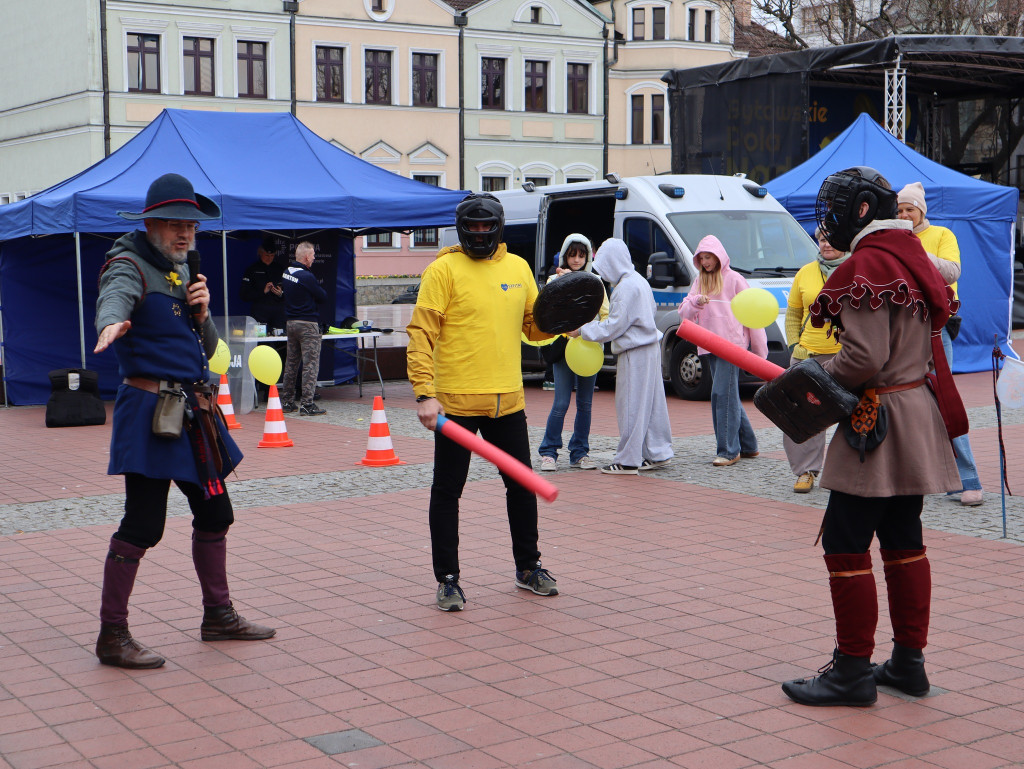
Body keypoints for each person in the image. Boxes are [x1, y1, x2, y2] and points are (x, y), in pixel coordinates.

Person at [781, 166, 960, 707]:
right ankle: (908, 663)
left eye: (835, 204)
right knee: (905, 539)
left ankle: (853, 672)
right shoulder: (911, 254)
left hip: (877, 421)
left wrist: (813, 377)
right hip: (915, 409)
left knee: (845, 539)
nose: (826, 216)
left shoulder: (868, 264)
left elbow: (864, 357)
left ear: (860, 209)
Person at [92, 173, 275, 669]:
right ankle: (113, 634)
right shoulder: (127, 263)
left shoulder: (183, 272)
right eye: (175, 224)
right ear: (150, 223)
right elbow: (115, 295)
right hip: (151, 413)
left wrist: (204, 308)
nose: (184, 234)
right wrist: (111, 322)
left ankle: (218, 615)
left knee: (217, 515)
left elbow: (211, 349)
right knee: (143, 524)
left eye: (191, 227)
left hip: (195, 414)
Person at [407, 192, 558, 612]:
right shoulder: (442, 270)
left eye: (484, 226)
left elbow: (533, 328)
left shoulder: (519, 268)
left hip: (506, 401)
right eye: (470, 227)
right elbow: (421, 335)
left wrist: (562, 320)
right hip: (454, 404)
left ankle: (529, 568)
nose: (478, 233)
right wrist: (425, 393)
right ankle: (448, 580)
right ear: (461, 228)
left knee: (522, 487)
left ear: (497, 226)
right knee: (447, 492)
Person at [897, 182, 983, 506]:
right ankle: (915, 478)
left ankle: (969, 479)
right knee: (903, 401)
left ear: (921, 210)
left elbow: (951, 271)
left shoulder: (942, 235)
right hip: (901, 328)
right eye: (900, 210)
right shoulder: (889, 239)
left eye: (910, 209)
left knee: (945, 399)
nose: (904, 215)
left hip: (936, 327)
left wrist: (914, 251)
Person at [568, 238, 673, 475]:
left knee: (631, 404)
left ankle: (627, 459)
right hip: (649, 347)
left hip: (634, 350)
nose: (603, 273)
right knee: (653, 402)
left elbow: (614, 326)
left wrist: (583, 330)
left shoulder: (625, 288)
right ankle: (658, 451)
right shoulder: (639, 282)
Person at [678, 235, 767, 467]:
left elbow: (754, 314)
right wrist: (696, 301)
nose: (705, 262)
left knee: (721, 395)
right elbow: (684, 312)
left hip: (731, 346)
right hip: (708, 344)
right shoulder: (699, 281)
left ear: (719, 257)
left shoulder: (735, 279)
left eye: (709, 257)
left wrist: (759, 351)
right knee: (728, 396)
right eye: (702, 258)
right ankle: (748, 446)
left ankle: (728, 451)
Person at [782, 227, 847, 492]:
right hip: (807, 356)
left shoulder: (855, 269)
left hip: (845, 356)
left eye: (831, 238)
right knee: (798, 414)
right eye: (821, 239)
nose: (825, 243)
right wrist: (795, 345)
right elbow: (794, 314)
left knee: (852, 413)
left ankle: (848, 472)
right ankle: (805, 471)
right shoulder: (805, 272)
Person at [538, 234, 609, 471]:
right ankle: (549, 452)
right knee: (560, 403)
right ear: (565, 254)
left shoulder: (596, 282)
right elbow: (546, 315)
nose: (577, 259)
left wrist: (588, 332)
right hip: (564, 350)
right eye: (572, 254)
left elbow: (606, 315)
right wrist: (566, 331)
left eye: (581, 254)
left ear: (588, 256)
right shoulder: (552, 280)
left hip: (589, 351)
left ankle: (580, 452)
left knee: (585, 404)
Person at [281, 241, 327, 416]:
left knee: (291, 363)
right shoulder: (307, 276)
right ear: (307, 257)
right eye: (313, 255)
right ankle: (307, 404)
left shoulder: (286, 273)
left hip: (291, 323)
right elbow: (322, 296)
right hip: (307, 324)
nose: (314, 258)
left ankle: (287, 402)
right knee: (310, 364)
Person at [239, 236, 287, 333]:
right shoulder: (252, 269)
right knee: (261, 339)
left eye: (272, 256)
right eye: (266, 255)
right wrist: (262, 292)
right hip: (259, 312)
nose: (269, 258)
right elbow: (244, 295)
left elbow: (289, 291)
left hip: (278, 312)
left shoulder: (280, 269)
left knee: (280, 340)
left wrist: (281, 293)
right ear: (260, 254)